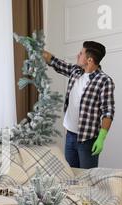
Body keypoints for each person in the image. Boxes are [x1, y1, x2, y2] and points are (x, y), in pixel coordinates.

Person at [42, 41, 115, 169]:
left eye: (81, 53)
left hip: (87, 140)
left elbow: (108, 111)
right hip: (70, 135)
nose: (77, 55)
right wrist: (38, 49)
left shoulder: (104, 81)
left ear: (89, 60)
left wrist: (101, 137)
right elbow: (55, 62)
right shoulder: (76, 72)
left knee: (87, 179)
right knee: (71, 176)